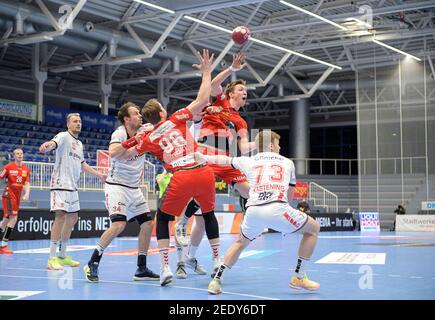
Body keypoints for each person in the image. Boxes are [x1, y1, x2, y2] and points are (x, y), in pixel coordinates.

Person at [119, 49, 221, 286]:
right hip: (203, 171)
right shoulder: (176, 118)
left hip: (181, 175)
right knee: (208, 214)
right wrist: (206, 72)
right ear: (162, 112)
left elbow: (124, 152)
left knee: (164, 219)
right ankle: (217, 260)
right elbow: (203, 99)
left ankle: (166, 267)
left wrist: (134, 137)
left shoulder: (149, 138)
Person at [195, 130, 321, 294]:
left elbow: (224, 160)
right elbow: (289, 197)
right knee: (313, 229)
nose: (280, 147)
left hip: (253, 210)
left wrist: (203, 158)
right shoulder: (288, 163)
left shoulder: (249, 160)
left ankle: (216, 281)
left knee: (240, 242)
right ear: (270, 145)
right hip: (277, 207)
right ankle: (299, 275)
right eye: (278, 144)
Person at [181, 53, 254, 275]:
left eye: (246, 92)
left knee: (250, 192)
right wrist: (232, 68)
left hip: (226, 159)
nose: (245, 93)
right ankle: (184, 230)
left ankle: (256, 220)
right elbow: (213, 84)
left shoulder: (241, 121)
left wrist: (259, 144)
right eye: (241, 90)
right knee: (203, 217)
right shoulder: (220, 102)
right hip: (205, 153)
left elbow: (242, 148)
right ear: (231, 93)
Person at [83, 103, 159, 283]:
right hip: (116, 185)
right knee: (119, 225)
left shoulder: (145, 129)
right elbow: (113, 152)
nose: (140, 116)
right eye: (135, 113)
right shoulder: (120, 133)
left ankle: (141, 268)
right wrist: (135, 140)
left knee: (148, 223)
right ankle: (93, 262)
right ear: (126, 119)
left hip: (134, 188)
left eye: (140, 113)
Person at [39, 113, 106, 270]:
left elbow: (82, 164)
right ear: (68, 124)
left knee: (73, 218)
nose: (78, 124)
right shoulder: (63, 136)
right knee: (60, 216)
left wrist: (99, 175)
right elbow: (53, 143)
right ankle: (51, 258)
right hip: (60, 183)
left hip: (73, 186)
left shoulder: (80, 144)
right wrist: (47, 146)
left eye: (80, 121)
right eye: (75, 121)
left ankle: (62, 255)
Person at [156, 169, 207, 279]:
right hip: (179, 191)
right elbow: (161, 179)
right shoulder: (168, 173)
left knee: (201, 223)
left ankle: (190, 258)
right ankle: (180, 263)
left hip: (196, 187)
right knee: (179, 224)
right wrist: (166, 171)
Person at [0, 149, 30, 254]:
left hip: (17, 197)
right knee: (13, 218)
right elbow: (0, 177)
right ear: (14, 156)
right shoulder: (8, 167)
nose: (20, 155)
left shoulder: (26, 169)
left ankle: (3, 244)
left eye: (21, 154)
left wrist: (27, 193)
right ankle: (4, 245)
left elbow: (26, 183)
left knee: (6, 220)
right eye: (17, 154)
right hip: (8, 195)